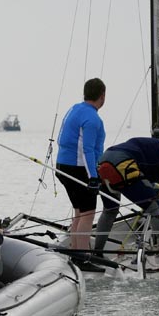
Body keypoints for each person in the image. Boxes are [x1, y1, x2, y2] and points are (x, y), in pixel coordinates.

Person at [94, 136, 159, 262]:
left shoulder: (153, 147)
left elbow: (142, 181)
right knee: (156, 208)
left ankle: (96, 253)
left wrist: (152, 191)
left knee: (110, 210)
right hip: (123, 164)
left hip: (104, 162)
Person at [55, 78, 106, 272]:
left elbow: (61, 138)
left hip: (62, 166)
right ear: (102, 96)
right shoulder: (92, 119)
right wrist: (93, 177)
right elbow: (87, 150)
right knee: (88, 214)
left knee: (79, 212)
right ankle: (83, 259)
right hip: (79, 169)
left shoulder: (74, 109)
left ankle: (75, 254)